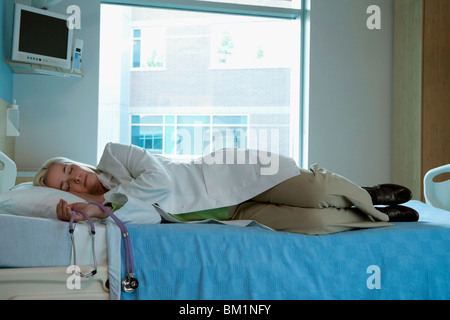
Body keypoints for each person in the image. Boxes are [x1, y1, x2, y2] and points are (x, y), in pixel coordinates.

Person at [33, 142, 418, 235]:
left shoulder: (116, 154)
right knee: (316, 222)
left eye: (69, 170)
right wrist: (99, 212)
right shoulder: (108, 207)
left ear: (78, 162)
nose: (73, 179)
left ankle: (367, 194)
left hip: (228, 178)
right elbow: (149, 216)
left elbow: (162, 182)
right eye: (65, 185)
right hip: (230, 213)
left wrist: (111, 202)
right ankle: (380, 216)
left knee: (319, 191)